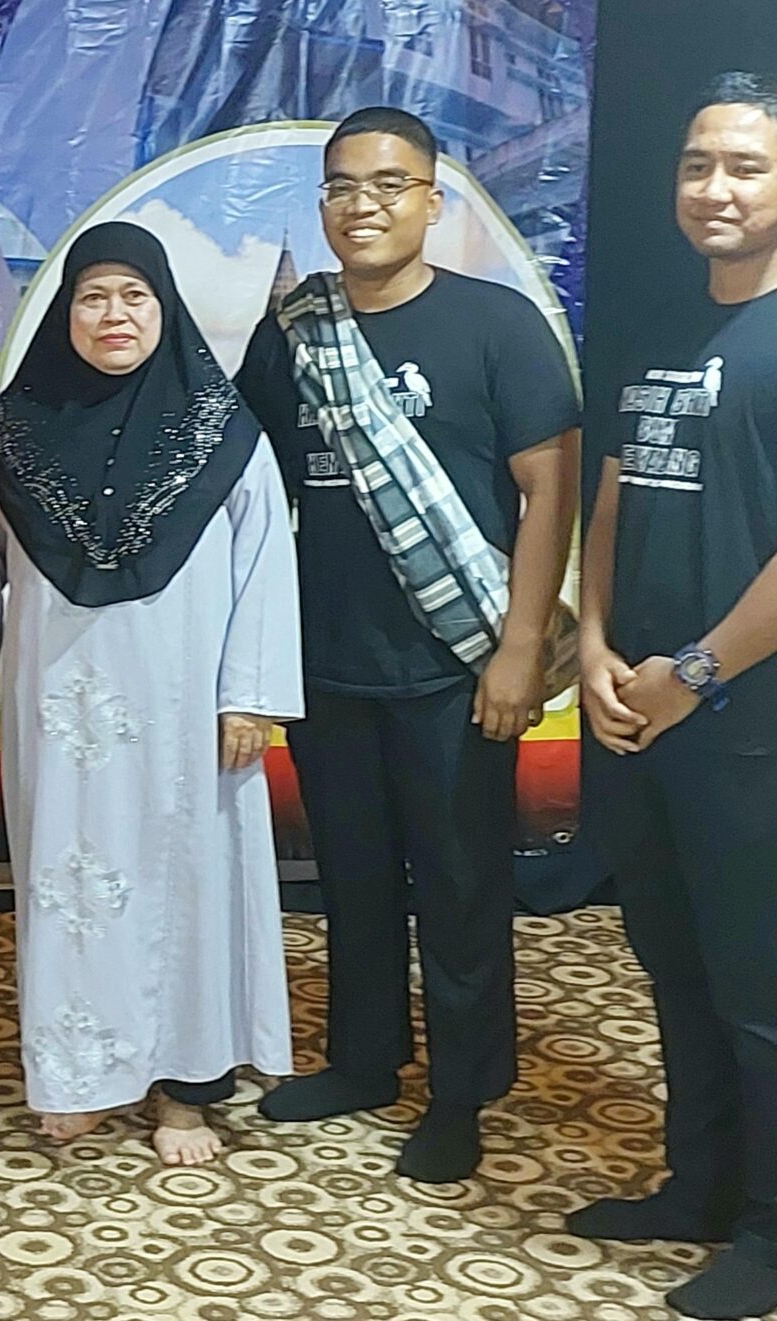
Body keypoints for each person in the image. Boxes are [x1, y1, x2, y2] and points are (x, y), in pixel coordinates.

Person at [235, 107, 580, 1183]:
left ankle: (462, 1091)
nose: (363, 205)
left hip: (456, 665)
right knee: (352, 878)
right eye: (342, 186)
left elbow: (550, 489)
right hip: (329, 661)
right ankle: (365, 1060)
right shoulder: (294, 332)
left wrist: (520, 646)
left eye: (389, 185)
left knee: (461, 885)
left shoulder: (496, 325)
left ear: (433, 201)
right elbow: (247, 488)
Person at [0, 221, 303, 1165]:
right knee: (69, 884)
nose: (114, 315)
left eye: (134, 296)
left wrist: (251, 693)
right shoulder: (15, 434)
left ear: (164, 306)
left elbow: (265, 566)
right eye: (93, 296)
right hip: (58, 709)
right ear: (65, 311)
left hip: (190, 712)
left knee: (189, 883)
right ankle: (81, 1075)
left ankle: (185, 1088)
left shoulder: (225, 433)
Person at [571, 72, 777, 1321]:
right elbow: (614, 493)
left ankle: (770, 1232)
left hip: (744, 722)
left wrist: (696, 670)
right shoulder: (661, 323)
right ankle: (698, 1187)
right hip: (636, 710)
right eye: (699, 164)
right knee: (674, 962)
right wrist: (593, 642)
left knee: (758, 986)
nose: (716, 188)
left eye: (746, 166)